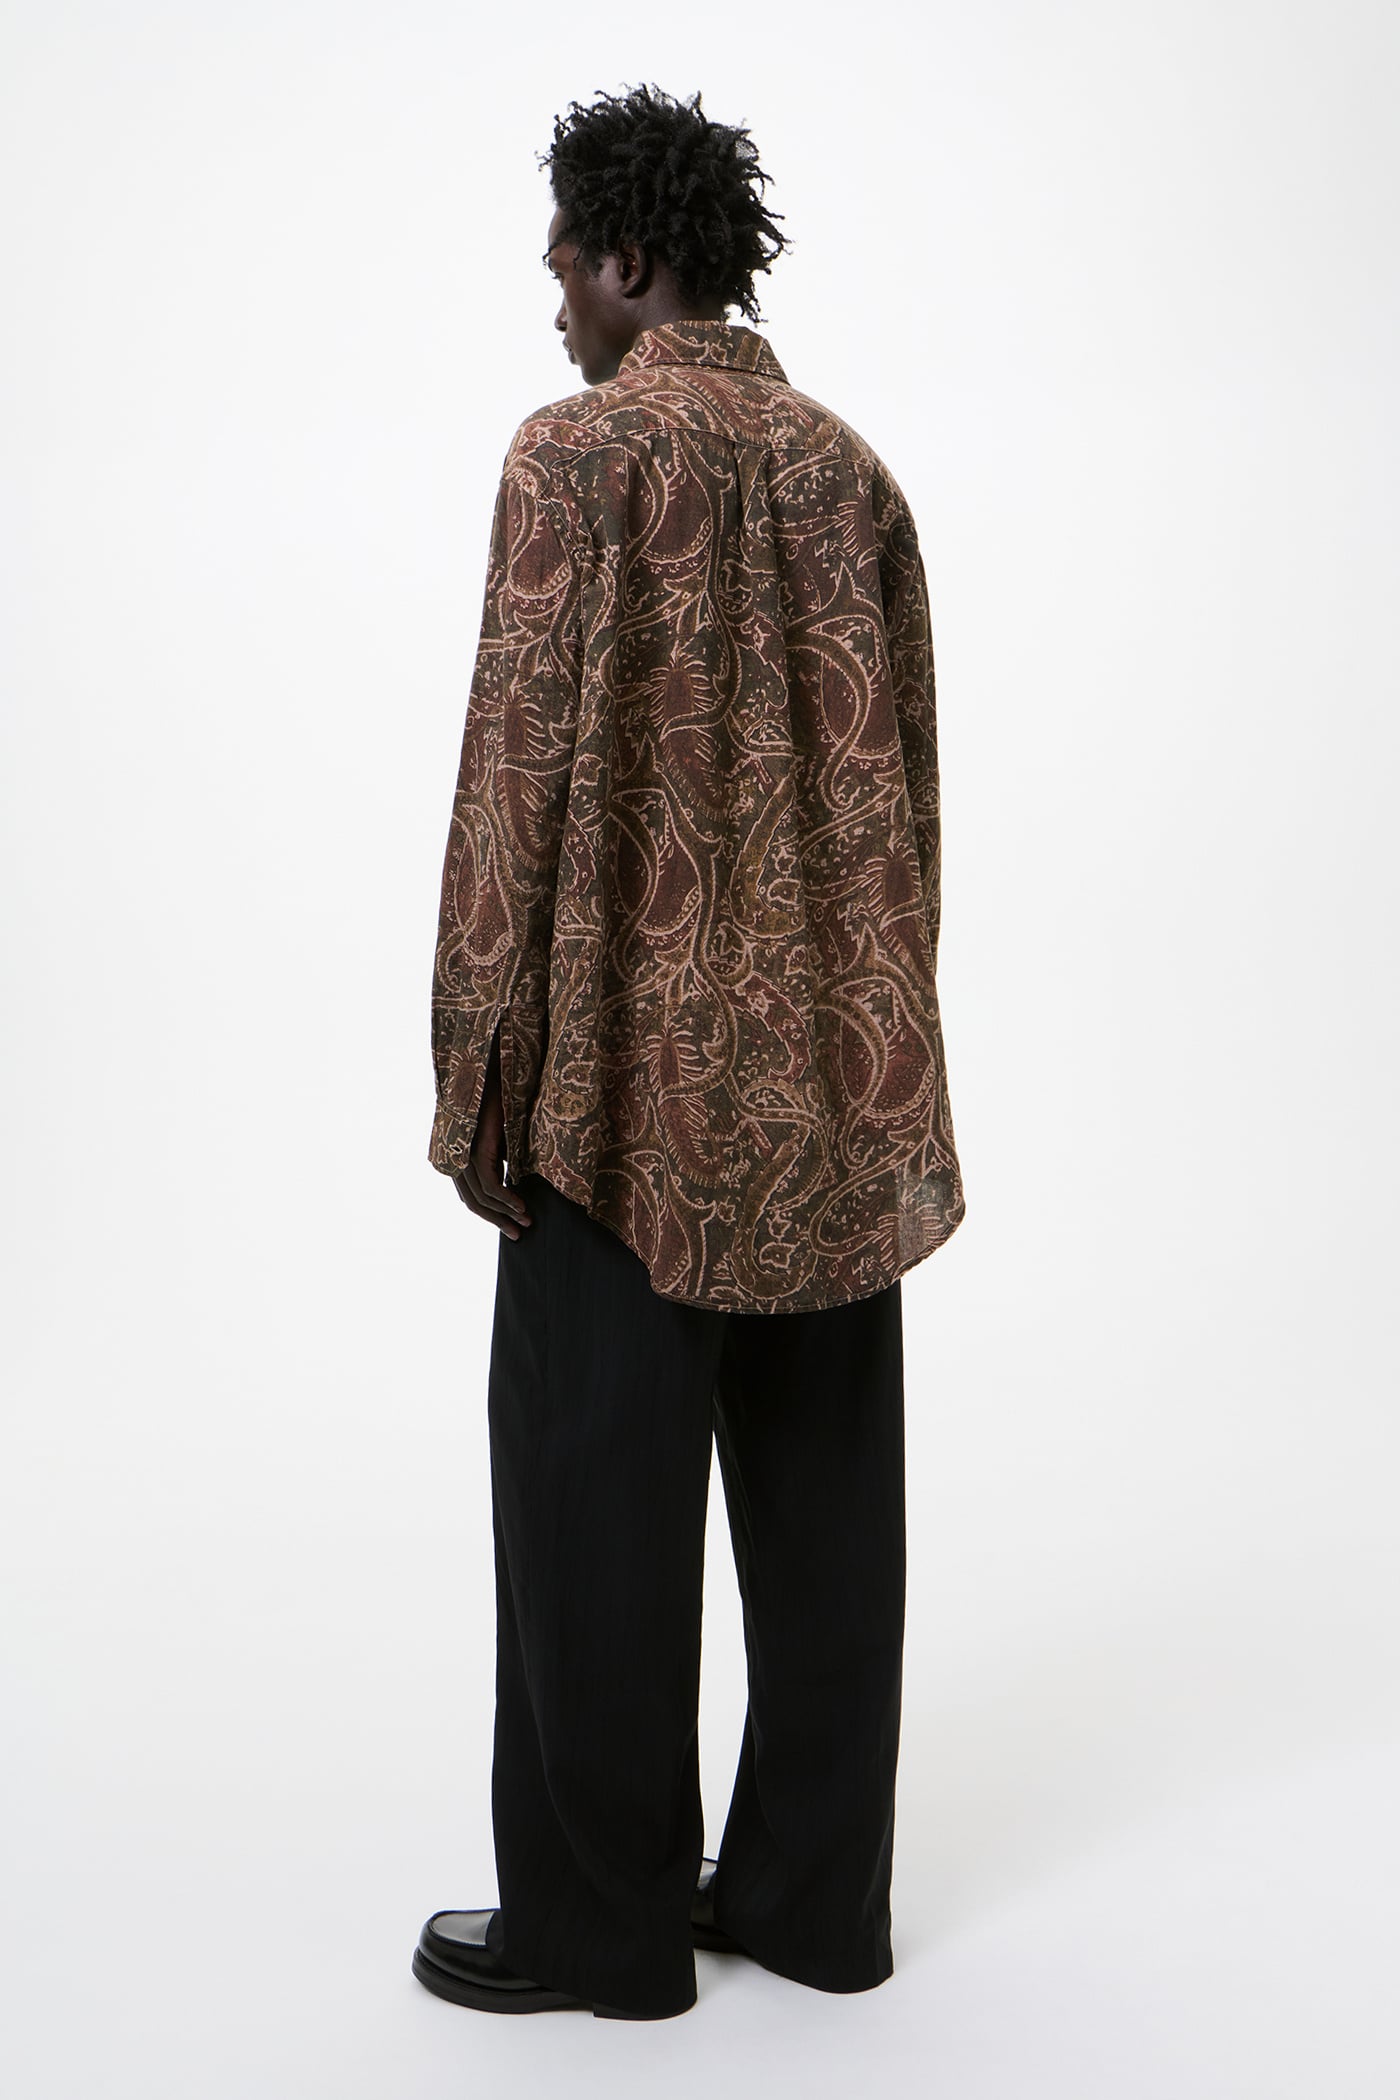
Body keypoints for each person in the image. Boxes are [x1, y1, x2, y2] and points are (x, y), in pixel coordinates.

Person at [412, 82, 965, 2022]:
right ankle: (813, 1903)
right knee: (827, 1514)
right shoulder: (851, 472)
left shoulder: (573, 456)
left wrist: (475, 1071)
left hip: (616, 1094)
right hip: (835, 1085)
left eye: (566, 261)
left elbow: (514, 782)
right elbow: (905, 795)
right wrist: (885, 1052)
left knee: (591, 1510)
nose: (555, 299)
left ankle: (600, 1928)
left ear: (630, 258)